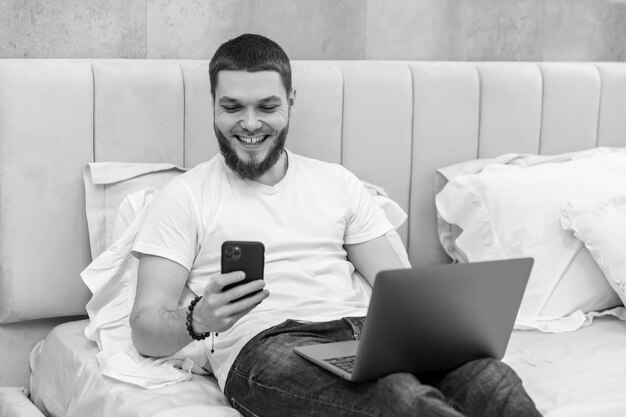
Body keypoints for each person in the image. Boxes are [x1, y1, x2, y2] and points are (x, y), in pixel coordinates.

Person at [129, 33, 541, 417]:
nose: (250, 124)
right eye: (233, 106)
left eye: (267, 107)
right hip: (268, 346)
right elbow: (145, 331)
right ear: (213, 105)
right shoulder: (184, 195)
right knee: (400, 396)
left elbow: (398, 288)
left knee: (493, 380)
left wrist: (456, 324)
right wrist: (196, 319)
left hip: (364, 334)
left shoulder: (337, 182)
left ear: (291, 101)